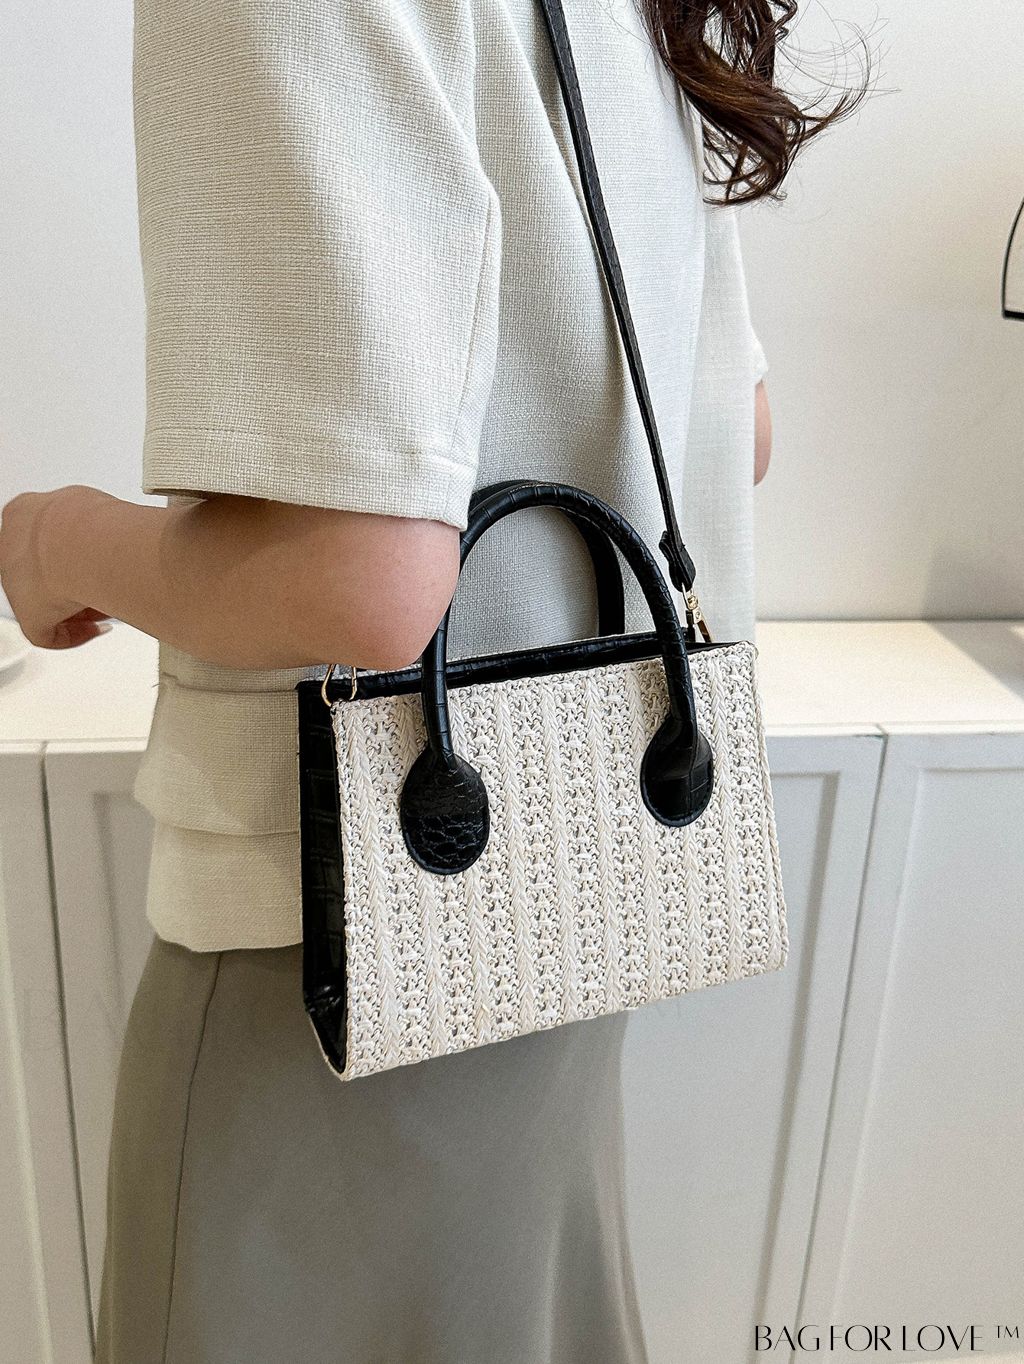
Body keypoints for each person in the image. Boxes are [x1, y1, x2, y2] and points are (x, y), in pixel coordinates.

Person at [0, 0, 863, 1358]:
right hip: (580, 905)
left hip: (333, 959)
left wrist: (54, 541)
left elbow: (358, 584)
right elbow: (734, 429)